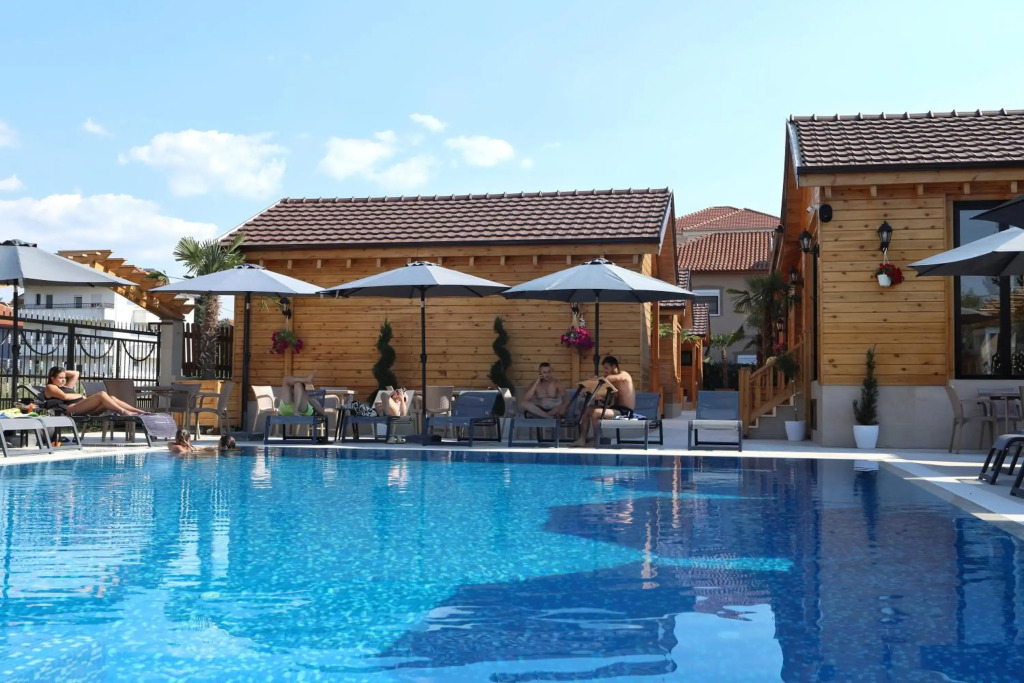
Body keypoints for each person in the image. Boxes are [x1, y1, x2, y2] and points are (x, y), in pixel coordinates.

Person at [572, 356, 636, 447]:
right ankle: (582, 439)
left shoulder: (624, 375)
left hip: (625, 411)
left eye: (606, 368)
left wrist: (597, 379)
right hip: (615, 409)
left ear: (614, 366)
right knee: (587, 409)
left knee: (596, 412)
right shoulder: (611, 382)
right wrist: (600, 398)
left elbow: (613, 378)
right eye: (604, 369)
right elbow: (609, 401)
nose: (605, 371)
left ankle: (597, 439)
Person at [44, 366, 148, 416]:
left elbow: (76, 373)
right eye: (60, 378)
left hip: (83, 407)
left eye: (64, 377)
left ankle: (138, 411)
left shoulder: (66, 386)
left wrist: (61, 372)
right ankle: (123, 411)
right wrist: (81, 395)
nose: (63, 380)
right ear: (52, 378)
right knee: (101, 394)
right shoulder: (51, 387)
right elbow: (65, 397)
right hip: (71, 409)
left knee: (111, 398)